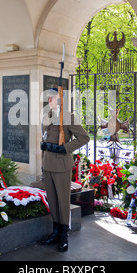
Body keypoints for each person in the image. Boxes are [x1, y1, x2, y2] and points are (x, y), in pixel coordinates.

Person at [40, 87, 89, 252]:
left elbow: (84, 137)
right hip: (48, 164)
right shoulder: (46, 116)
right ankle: (55, 232)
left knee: (62, 202)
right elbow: (46, 137)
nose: (49, 101)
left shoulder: (67, 117)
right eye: (48, 98)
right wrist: (44, 146)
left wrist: (65, 148)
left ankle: (63, 235)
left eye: (52, 98)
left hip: (61, 165)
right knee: (53, 201)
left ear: (59, 99)